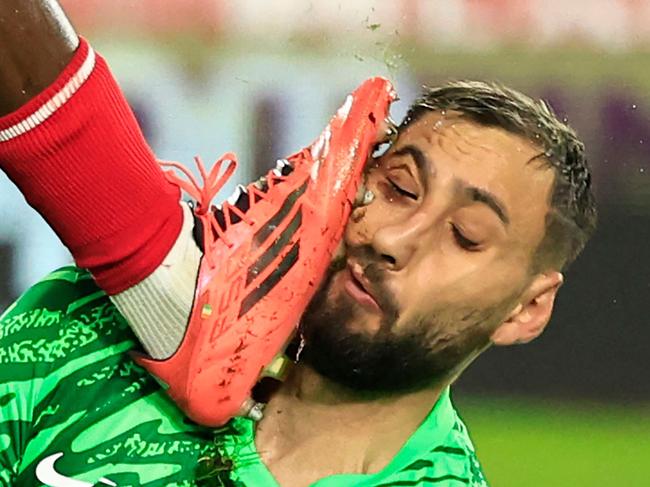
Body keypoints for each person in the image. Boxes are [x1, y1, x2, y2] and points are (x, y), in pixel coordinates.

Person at [0, 1, 597, 486]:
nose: (392, 238)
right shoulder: (88, 325)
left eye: (465, 236)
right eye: (398, 187)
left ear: (526, 308)